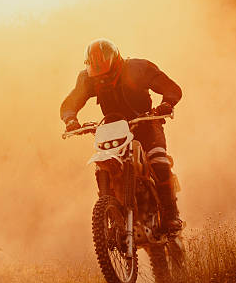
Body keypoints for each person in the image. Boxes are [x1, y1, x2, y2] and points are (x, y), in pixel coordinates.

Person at [60, 38, 182, 233]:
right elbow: (70, 103)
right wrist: (70, 119)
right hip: (113, 130)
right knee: (105, 163)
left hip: (146, 124)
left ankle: (171, 214)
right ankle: (111, 212)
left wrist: (167, 103)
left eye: (106, 74)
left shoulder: (138, 68)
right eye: (98, 74)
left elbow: (171, 88)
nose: (103, 78)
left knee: (158, 160)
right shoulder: (88, 78)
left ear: (115, 62)